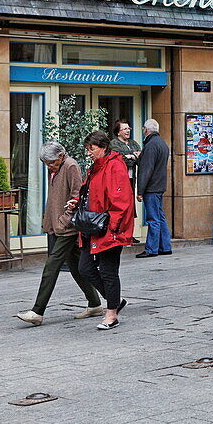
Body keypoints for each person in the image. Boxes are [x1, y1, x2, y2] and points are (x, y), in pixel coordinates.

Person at [15, 142, 103, 326]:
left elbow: (77, 195)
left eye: (51, 162)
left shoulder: (70, 166)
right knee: (78, 267)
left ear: (61, 156)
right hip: (59, 226)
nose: (49, 166)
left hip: (68, 228)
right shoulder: (57, 168)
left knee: (51, 266)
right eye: (46, 163)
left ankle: (37, 311)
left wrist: (64, 219)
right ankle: (96, 303)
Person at [73, 130, 135, 330]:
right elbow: (90, 193)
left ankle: (111, 314)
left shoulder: (115, 166)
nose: (88, 153)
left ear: (103, 147)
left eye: (91, 149)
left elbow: (122, 200)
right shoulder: (96, 167)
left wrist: (114, 228)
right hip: (93, 225)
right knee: (85, 268)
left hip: (108, 227)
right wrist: (75, 203)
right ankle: (114, 300)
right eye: (87, 149)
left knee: (108, 271)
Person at [135, 118, 172, 258]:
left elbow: (146, 170)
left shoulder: (151, 145)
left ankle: (151, 249)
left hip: (152, 187)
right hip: (159, 186)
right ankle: (165, 246)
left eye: (143, 129)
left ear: (146, 129)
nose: (143, 131)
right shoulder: (162, 143)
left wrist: (140, 191)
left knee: (153, 219)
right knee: (160, 217)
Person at [108, 119, 141, 184]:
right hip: (119, 178)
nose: (128, 131)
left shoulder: (133, 143)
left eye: (129, 128)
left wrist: (129, 156)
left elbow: (141, 157)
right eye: (125, 129)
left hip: (132, 177)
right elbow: (119, 159)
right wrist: (133, 156)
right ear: (118, 132)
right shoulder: (114, 144)